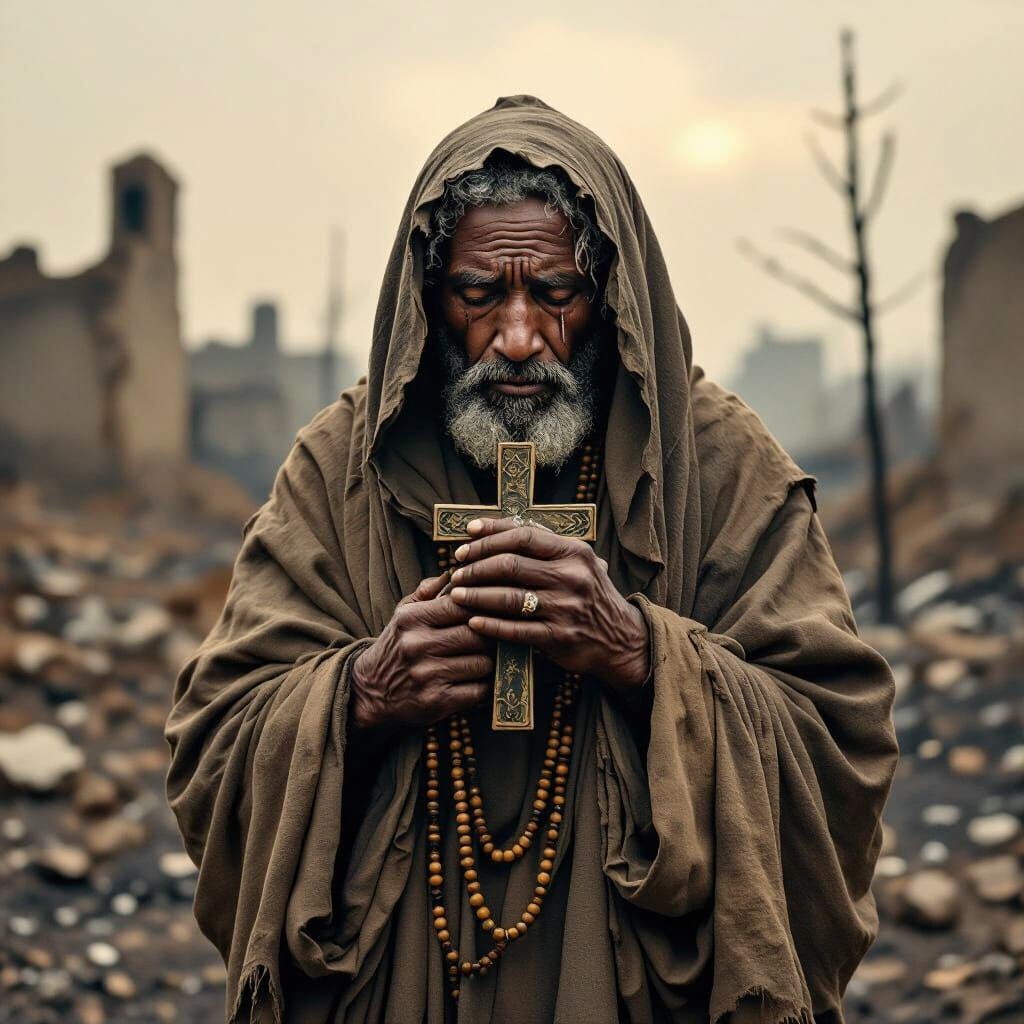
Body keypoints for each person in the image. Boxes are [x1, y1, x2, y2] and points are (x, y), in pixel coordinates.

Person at [165, 96, 897, 1024]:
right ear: (430, 300)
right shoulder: (340, 467)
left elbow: (841, 737)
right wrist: (362, 694)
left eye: (556, 294)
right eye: (479, 295)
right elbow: (214, 742)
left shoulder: (716, 464)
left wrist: (642, 657)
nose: (517, 338)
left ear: (612, 296)